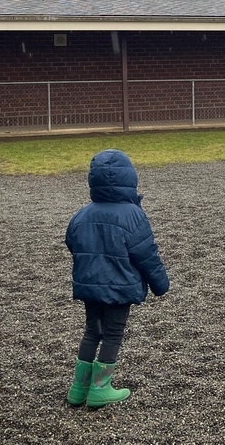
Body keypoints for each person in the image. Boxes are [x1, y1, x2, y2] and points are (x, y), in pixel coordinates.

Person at [65, 150, 169, 408]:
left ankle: (79, 388)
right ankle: (100, 387)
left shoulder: (82, 213)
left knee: (92, 330)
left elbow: (72, 242)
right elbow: (146, 254)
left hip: (89, 284)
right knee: (112, 333)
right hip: (120, 285)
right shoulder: (133, 214)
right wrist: (160, 284)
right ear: (129, 179)